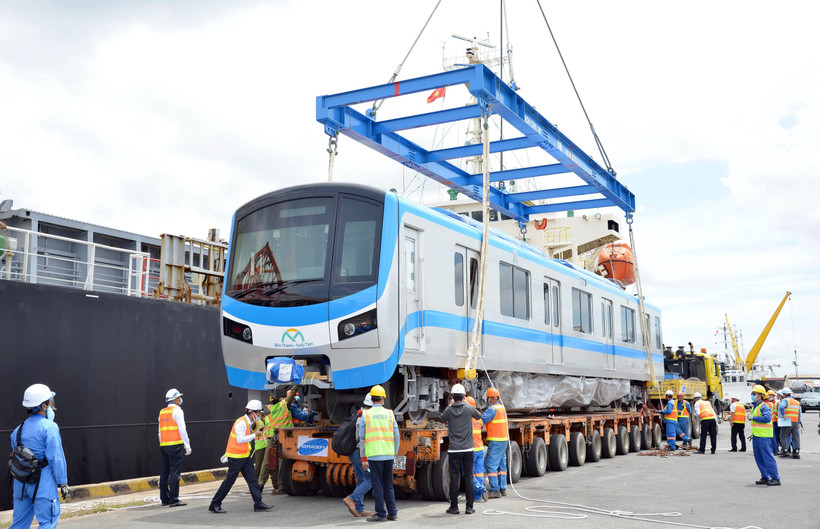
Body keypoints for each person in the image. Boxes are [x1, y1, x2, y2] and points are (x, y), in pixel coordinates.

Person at [9, 384, 68, 529]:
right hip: (43, 485)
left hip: (21, 485)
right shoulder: (50, 427)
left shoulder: (17, 430)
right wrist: (63, 482)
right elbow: (56, 458)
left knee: (19, 525)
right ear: (43, 406)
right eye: (50, 402)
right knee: (47, 522)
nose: (51, 405)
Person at [208, 400, 273, 514]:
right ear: (253, 413)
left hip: (245, 457)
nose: (260, 416)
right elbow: (240, 439)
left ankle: (258, 504)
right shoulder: (241, 423)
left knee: (253, 480)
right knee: (229, 482)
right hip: (236, 458)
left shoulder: (247, 423)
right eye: (259, 413)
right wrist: (255, 434)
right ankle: (215, 504)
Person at [440, 384, 482, 515]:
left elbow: (442, 419)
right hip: (468, 449)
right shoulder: (469, 408)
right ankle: (469, 507)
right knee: (469, 477)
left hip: (454, 450)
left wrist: (450, 405)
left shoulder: (449, 410)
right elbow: (479, 416)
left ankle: (454, 507)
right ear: (464, 396)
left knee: (454, 478)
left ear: (452, 396)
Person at [359, 385, 399, 522]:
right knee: (388, 485)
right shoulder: (390, 413)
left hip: (374, 455)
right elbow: (396, 435)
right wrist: (395, 452)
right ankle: (392, 513)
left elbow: (362, 439)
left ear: (371, 399)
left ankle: (381, 514)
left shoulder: (366, 414)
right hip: (388, 454)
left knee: (378, 485)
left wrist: (363, 458)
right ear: (383, 399)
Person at [158, 388, 191, 507]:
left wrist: (162, 443)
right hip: (175, 446)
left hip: (164, 445)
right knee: (175, 473)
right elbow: (182, 429)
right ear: (175, 399)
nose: (180, 399)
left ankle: (164, 499)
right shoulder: (178, 411)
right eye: (179, 398)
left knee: (164, 472)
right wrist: (187, 445)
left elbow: (159, 432)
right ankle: (174, 499)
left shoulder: (162, 412)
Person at [343, 394, 373, 518]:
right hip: (359, 452)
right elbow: (362, 439)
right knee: (371, 480)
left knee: (361, 480)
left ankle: (359, 509)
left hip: (353, 452)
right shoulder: (365, 417)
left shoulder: (358, 414)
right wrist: (364, 458)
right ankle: (352, 498)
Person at [749, 385, 780, 486]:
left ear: (760, 395)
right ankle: (765, 476)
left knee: (767, 457)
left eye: (754, 394)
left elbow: (767, 418)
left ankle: (775, 478)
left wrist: (753, 417)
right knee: (759, 457)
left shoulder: (764, 406)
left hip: (764, 436)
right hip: (757, 435)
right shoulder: (756, 406)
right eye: (752, 393)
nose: (752, 395)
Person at [481, 387, 508, 498]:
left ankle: (495, 490)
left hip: (496, 441)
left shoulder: (492, 409)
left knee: (490, 465)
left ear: (491, 398)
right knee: (501, 465)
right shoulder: (502, 408)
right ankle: (503, 488)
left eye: (488, 398)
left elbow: (482, 421)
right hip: (503, 440)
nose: (487, 400)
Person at [466, 396, 487, 504]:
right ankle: (477, 497)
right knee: (479, 473)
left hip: (471, 449)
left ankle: (479, 488)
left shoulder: (465, 419)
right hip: (480, 448)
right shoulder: (478, 419)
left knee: (468, 473)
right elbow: (482, 426)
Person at [252, 403, 272, 488]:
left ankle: (261, 484)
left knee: (267, 465)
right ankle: (253, 485)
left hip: (267, 444)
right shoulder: (256, 421)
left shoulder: (267, 419)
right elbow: (252, 427)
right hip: (259, 446)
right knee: (258, 466)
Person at [778, 388, 801, 459]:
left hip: (787, 421)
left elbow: (781, 407)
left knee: (783, 436)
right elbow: (799, 413)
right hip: (795, 421)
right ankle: (796, 452)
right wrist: (799, 423)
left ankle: (785, 451)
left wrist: (783, 415)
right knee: (796, 437)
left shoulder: (786, 400)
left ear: (784, 394)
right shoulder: (796, 402)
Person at [769, 390, 781, 455]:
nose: (770, 396)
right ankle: (774, 449)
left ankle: (776, 449)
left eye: (771, 395)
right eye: (769, 395)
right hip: (770, 422)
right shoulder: (766, 403)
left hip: (776, 422)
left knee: (776, 436)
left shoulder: (777, 403)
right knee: (772, 436)